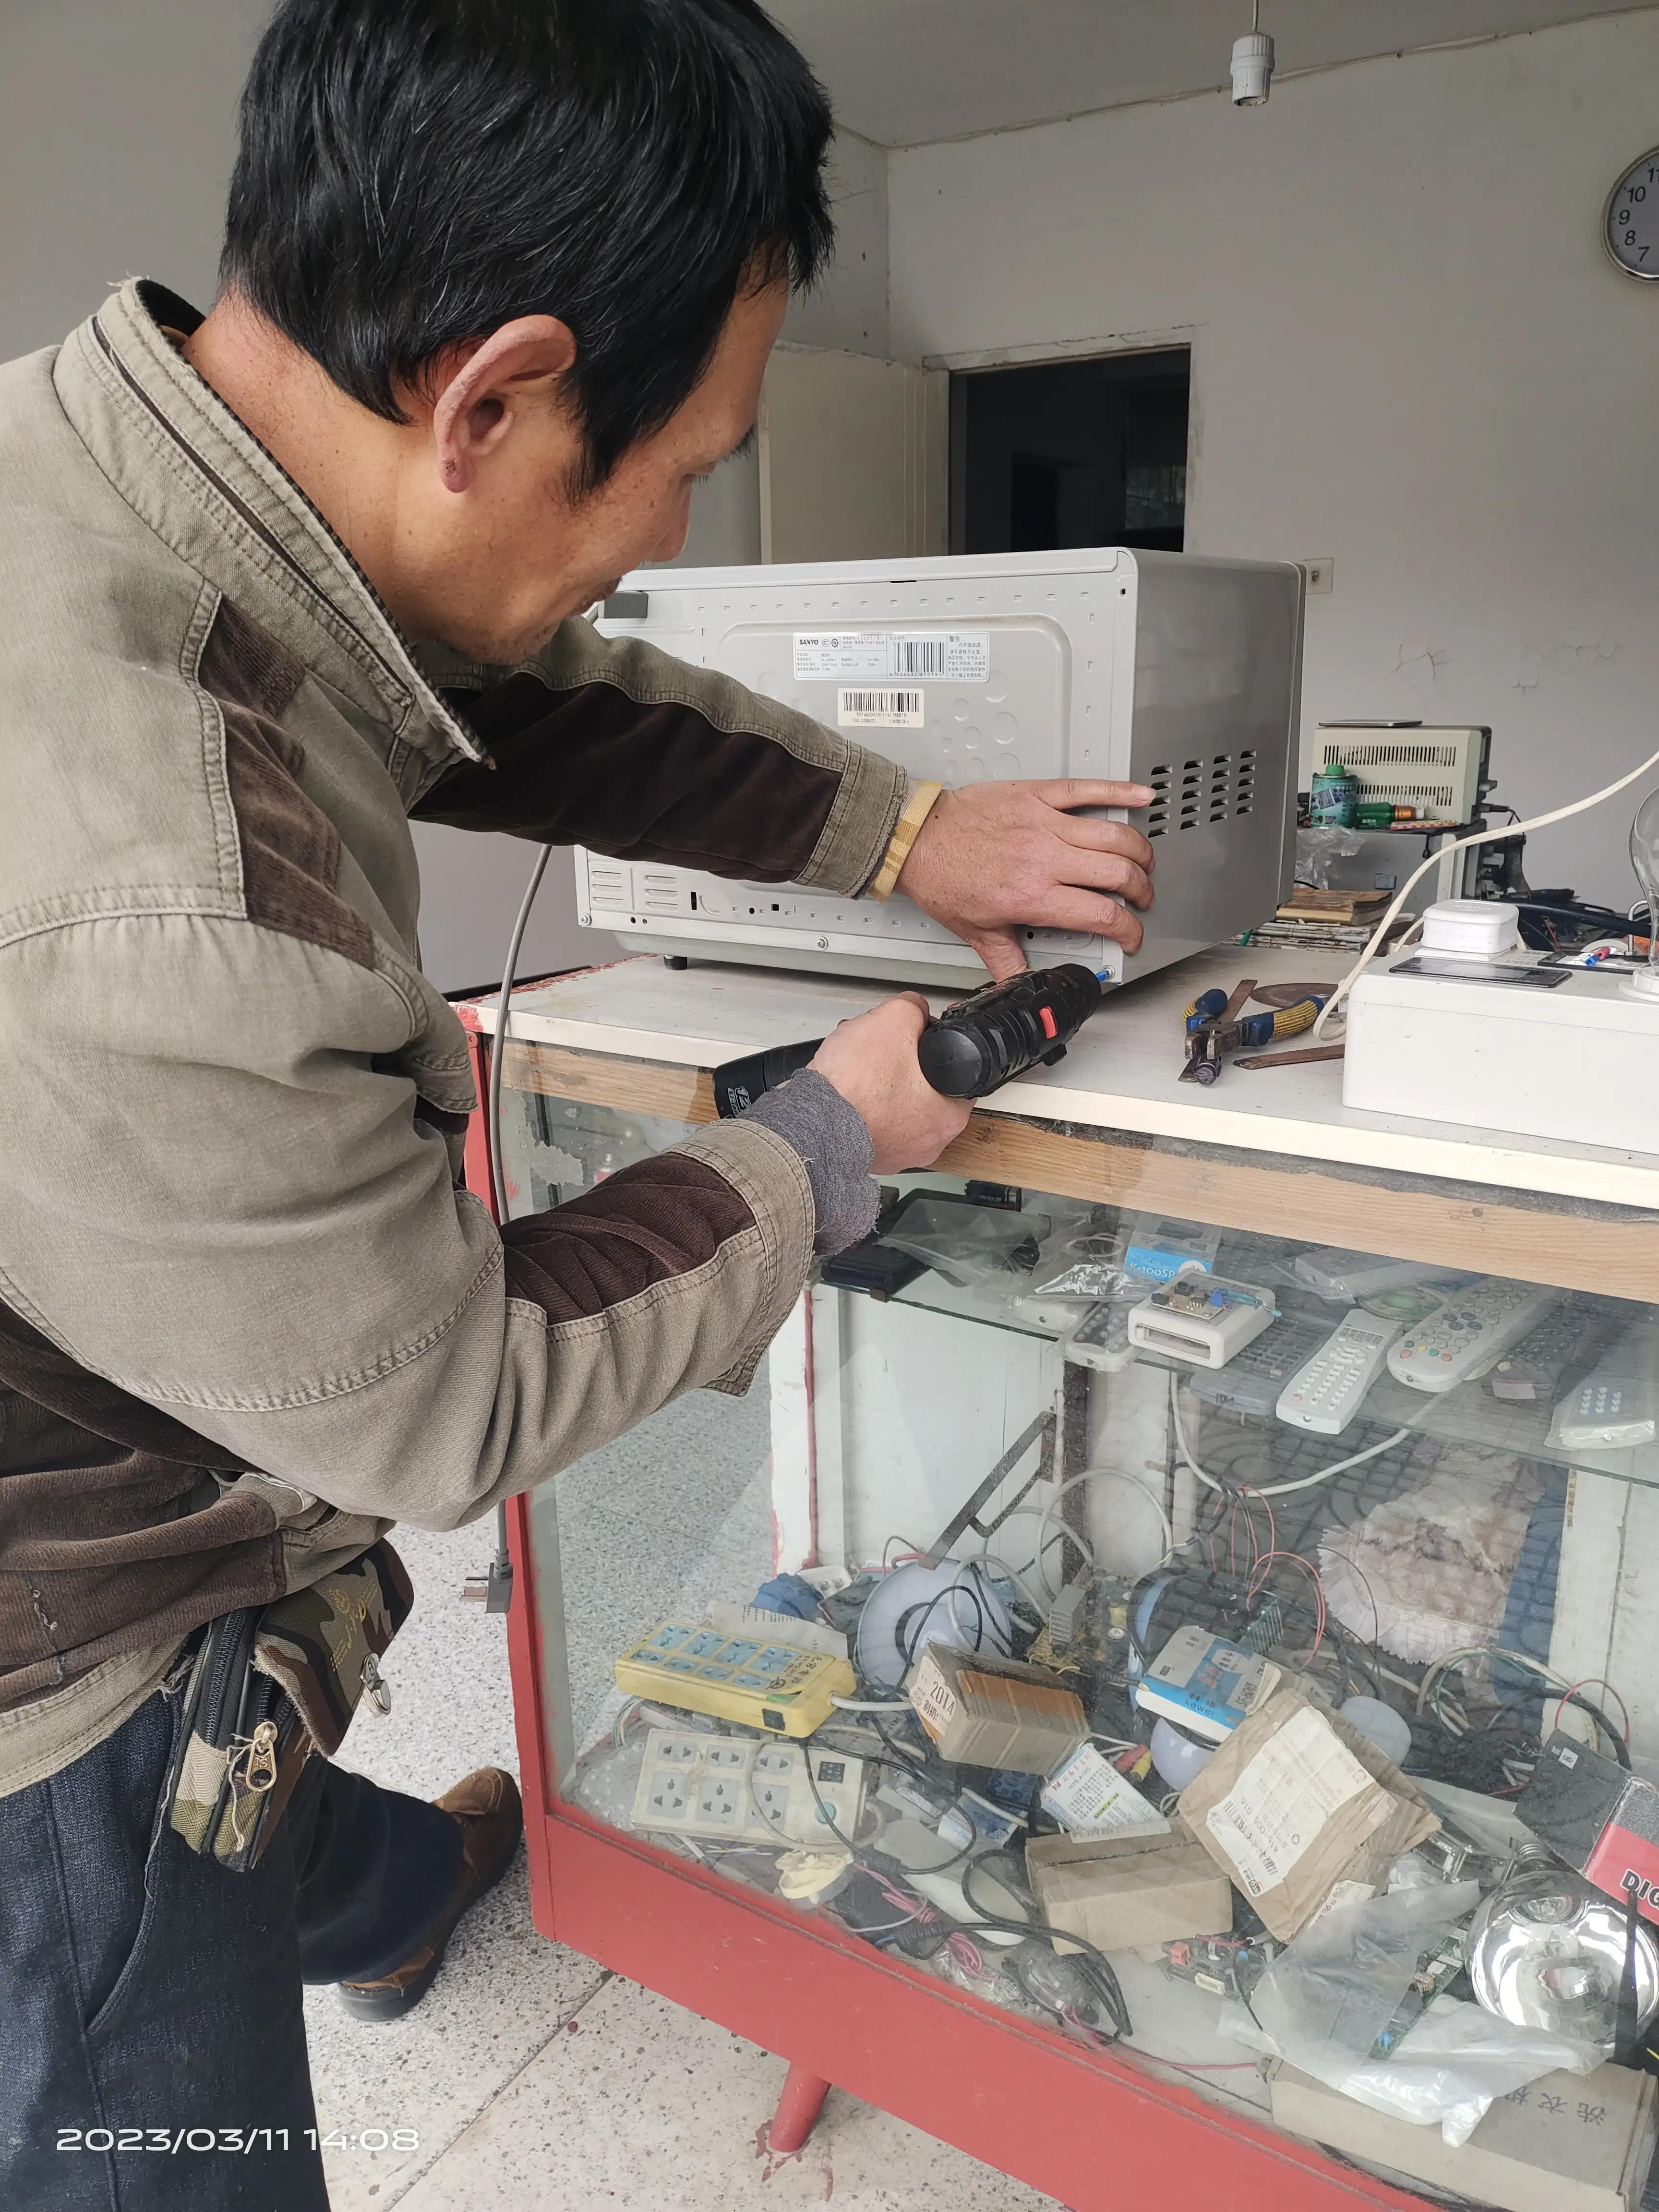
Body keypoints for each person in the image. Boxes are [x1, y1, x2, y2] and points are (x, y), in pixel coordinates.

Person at [0, 3, 1154, 2205]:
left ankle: (384, 1893)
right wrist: (835, 1136)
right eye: (689, 462)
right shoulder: (170, 891)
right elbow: (441, 1403)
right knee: (153, 2035)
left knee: (263, 1810)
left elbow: (518, 685)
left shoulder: (116, 468)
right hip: (51, 1678)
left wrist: (912, 835)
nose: (667, 532)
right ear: (496, 400)